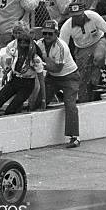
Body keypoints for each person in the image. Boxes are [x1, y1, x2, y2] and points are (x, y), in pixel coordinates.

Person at [36, 20, 82, 148]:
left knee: (70, 104)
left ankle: (75, 137)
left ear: (56, 33)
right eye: (44, 33)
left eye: (50, 34)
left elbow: (58, 69)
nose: (47, 36)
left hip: (69, 77)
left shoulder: (62, 47)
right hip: (52, 77)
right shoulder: (39, 43)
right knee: (40, 100)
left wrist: (43, 65)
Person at [59, 2, 106, 102]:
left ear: (83, 12)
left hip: (98, 40)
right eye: (74, 16)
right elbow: (63, 47)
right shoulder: (66, 27)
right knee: (82, 78)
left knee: (98, 58)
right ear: (70, 15)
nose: (77, 18)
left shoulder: (93, 16)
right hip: (81, 48)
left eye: (79, 15)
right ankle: (84, 100)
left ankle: (97, 80)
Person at [0, 31, 45, 117]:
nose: (22, 45)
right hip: (14, 80)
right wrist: (6, 73)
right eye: (20, 42)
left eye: (25, 43)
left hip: (27, 84)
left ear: (29, 45)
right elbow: (10, 64)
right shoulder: (14, 52)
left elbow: (41, 80)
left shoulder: (35, 59)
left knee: (11, 109)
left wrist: (43, 99)